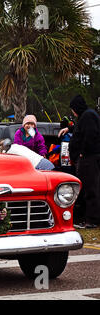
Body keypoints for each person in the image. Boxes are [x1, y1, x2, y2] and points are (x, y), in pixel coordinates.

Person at [60, 95, 100, 228]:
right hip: (85, 159)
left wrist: (83, 152)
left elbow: (90, 135)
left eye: (73, 109)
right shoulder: (85, 116)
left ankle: (92, 220)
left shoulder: (89, 116)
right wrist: (69, 129)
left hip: (89, 159)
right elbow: (80, 129)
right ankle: (85, 217)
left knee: (90, 189)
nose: (73, 112)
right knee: (85, 189)